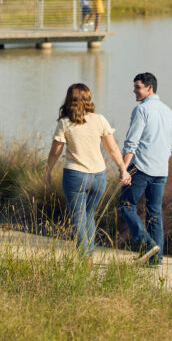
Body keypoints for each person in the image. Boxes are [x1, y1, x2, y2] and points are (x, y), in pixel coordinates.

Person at [44, 83, 130, 258]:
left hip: (75, 175)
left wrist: (47, 171)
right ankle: (89, 254)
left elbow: (55, 151)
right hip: (99, 176)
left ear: (70, 99)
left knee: (78, 218)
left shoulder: (65, 123)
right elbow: (113, 148)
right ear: (88, 99)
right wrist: (123, 169)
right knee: (89, 216)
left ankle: (85, 258)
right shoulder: (100, 119)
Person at [119, 72, 172, 266]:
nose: (134, 91)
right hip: (161, 170)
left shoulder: (141, 110)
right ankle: (156, 260)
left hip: (141, 168)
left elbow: (131, 143)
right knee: (154, 213)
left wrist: (123, 169)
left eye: (137, 87)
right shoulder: (169, 112)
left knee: (125, 205)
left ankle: (147, 244)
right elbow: (169, 147)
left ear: (149, 88)